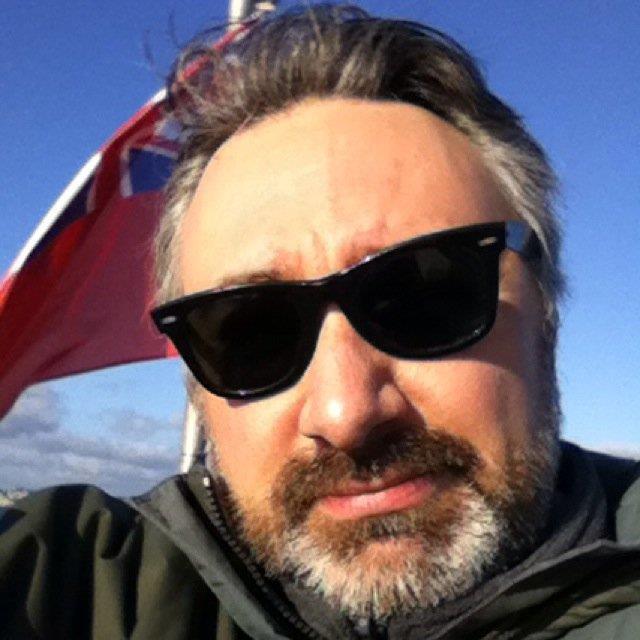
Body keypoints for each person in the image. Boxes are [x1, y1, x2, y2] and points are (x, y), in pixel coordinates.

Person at [1, 5, 639, 639]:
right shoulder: (78, 589)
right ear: (196, 386)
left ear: (546, 314)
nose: (345, 412)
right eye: (251, 332)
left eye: (422, 298)